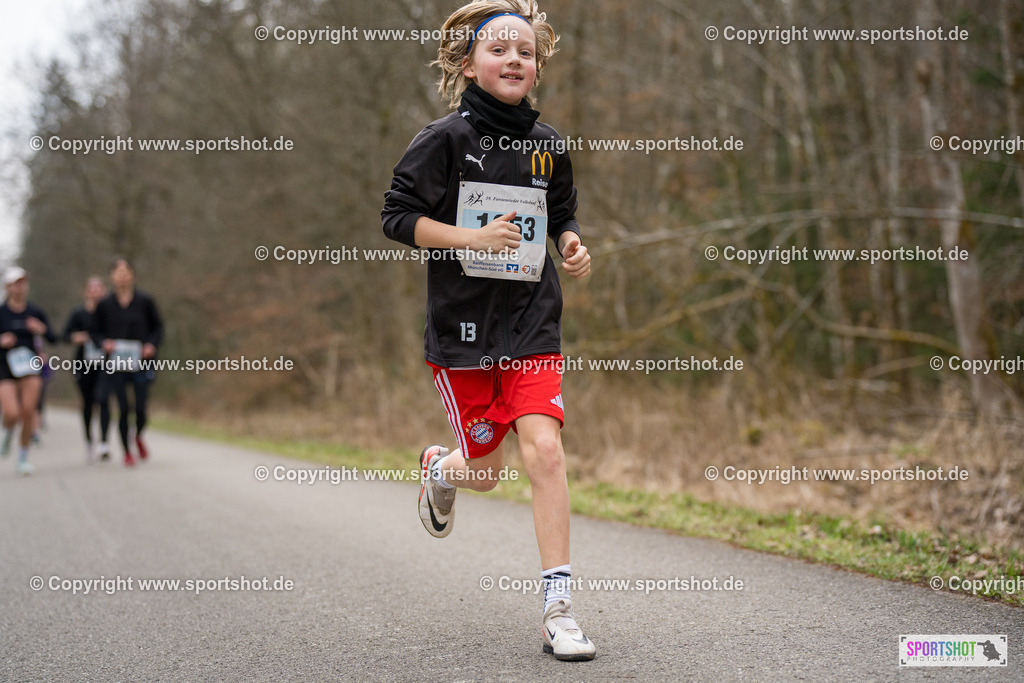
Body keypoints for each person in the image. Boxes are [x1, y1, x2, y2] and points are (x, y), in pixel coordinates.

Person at [381, 0, 594, 661]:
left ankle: (558, 608)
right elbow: (396, 216)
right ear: (469, 63)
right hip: (464, 333)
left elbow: (562, 214)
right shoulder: (443, 140)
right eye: (499, 49)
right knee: (484, 473)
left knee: (545, 452)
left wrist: (572, 243)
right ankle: (440, 469)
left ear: (538, 65)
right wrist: (469, 237)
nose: (513, 59)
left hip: (532, 325)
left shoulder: (549, 147)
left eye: (525, 52)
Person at [91, 258, 163, 466]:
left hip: (141, 362)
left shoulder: (145, 300)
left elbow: (158, 328)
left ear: (132, 275)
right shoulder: (105, 305)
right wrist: (104, 343)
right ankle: (127, 452)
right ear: (112, 276)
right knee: (123, 408)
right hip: (116, 364)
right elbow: (95, 332)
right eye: (118, 271)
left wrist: (151, 345)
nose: (122, 275)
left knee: (141, 408)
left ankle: (138, 434)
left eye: (126, 271)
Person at [0, 267, 56, 476]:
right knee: (12, 412)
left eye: (23, 282)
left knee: (28, 412)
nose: (20, 287)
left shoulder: (35, 311)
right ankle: (7, 431)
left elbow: (53, 336)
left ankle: (23, 458)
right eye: (16, 283)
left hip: (31, 367)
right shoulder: (1, 313)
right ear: (8, 287)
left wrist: (40, 329)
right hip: (5, 368)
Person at [63, 276, 111, 462]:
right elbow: (64, 335)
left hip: (105, 363)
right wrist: (82, 337)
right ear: (86, 292)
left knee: (104, 398)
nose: (95, 291)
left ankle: (104, 442)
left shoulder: (109, 312)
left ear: (104, 291)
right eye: (92, 288)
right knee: (88, 402)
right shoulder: (79, 313)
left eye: (99, 288)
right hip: (83, 364)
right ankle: (89, 441)